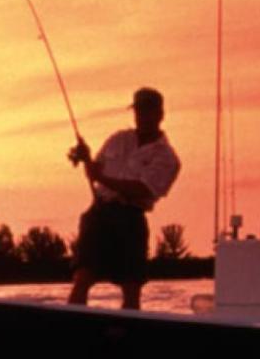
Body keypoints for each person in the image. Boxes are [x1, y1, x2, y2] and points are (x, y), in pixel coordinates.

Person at [67, 87, 180, 309]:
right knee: (82, 277)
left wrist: (102, 178)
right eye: (138, 111)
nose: (141, 116)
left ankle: (127, 331)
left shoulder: (167, 158)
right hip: (99, 213)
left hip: (130, 218)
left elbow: (143, 190)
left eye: (147, 111)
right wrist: (85, 157)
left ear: (160, 114)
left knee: (131, 286)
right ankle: (72, 325)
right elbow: (96, 170)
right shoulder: (118, 139)